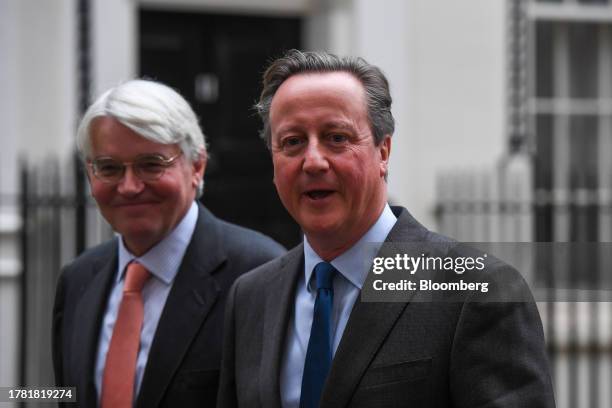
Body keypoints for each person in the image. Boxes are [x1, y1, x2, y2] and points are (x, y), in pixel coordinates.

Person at [217, 50, 555, 407]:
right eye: (292, 142)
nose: (313, 161)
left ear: (383, 151)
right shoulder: (251, 297)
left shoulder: (476, 291)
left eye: (336, 137)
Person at [52, 79, 285, 408]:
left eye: (151, 165)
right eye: (109, 168)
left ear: (197, 166)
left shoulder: (260, 273)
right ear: (90, 175)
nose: (130, 187)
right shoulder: (77, 279)